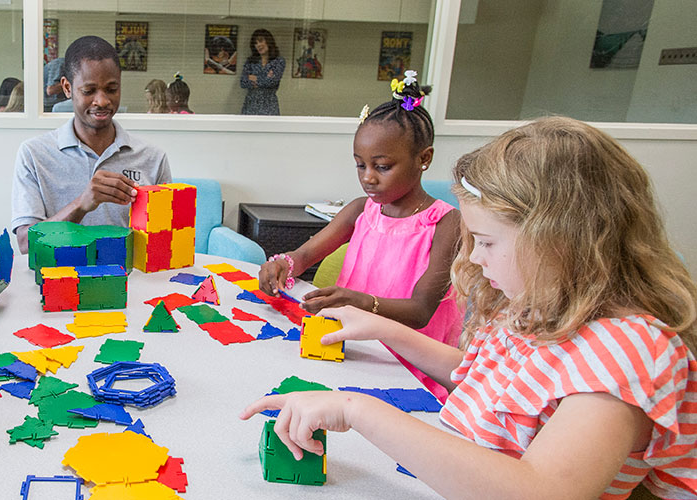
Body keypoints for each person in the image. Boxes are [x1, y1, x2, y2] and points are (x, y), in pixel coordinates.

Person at [243, 116, 697, 499]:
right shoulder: (534, 306)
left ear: (560, 239)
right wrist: (382, 327)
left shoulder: (628, 351)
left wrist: (357, 410)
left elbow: (541, 491)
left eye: (486, 241)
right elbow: (478, 375)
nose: (475, 258)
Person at [257, 72, 459, 400]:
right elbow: (305, 256)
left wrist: (361, 303)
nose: (368, 178)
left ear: (424, 158)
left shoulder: (446, 224)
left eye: (382, 166)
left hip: (410, 367)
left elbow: (422, 311)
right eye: (360, 165)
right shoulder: (359, 210)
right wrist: (281, 264)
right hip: (352, 350)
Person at [10, 35, 172, 253]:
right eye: (89, 91)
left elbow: (164, 243)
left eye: (112, 89)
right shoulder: (34, 154)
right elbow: (25, 243)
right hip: (59, 281)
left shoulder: (152, 158)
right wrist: (81, 204)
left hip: (131, 282)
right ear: (67, 88)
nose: (102, 101)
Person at [240, 29, 285, 115]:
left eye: (260, 41)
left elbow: (272, 82)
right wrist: (265, 78)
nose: (258, 45)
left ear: (268, 41)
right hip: (251, 104)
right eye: (255, 43)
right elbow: (243, 82)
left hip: (269, 105)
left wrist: (253, 78)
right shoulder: (250, 61)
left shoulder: (279, 61)